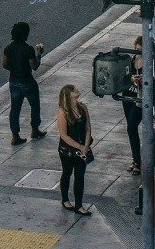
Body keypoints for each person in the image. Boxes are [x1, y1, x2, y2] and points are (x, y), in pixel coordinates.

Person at [2, 22, 46, 145]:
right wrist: (39, 54)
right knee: (35, 106)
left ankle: (15, 136)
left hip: (14, 82)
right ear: (25, 34)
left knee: (15, 109)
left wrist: (15, 68)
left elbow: (4, 64)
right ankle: (35, 129)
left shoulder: (8, 48)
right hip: (27, 81)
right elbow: (35, 66)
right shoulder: (28, 49)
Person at [57, 84, 93, 216]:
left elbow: (88, 127)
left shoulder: (82, 107)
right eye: (73, 90)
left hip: (82, 149)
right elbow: (63, 135)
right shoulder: (63, 112)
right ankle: (65, 199)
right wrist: (80, 146)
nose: (76, 91)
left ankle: (79, 205)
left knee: (80, 176)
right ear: (68, 96)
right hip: (67, 150)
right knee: (67, 172)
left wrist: (86, 145)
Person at [121, 37, 144, 175]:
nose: (137, 52)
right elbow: (122, 77)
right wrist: (130, 78)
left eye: (140, 50)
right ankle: (136, 159)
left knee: (132, 126)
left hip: (139, 99)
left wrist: (142, 80)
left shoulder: (149, 63)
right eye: (136, 50)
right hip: (127, 96)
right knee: (131, 129)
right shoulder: (131, 60)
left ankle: (138, 161)